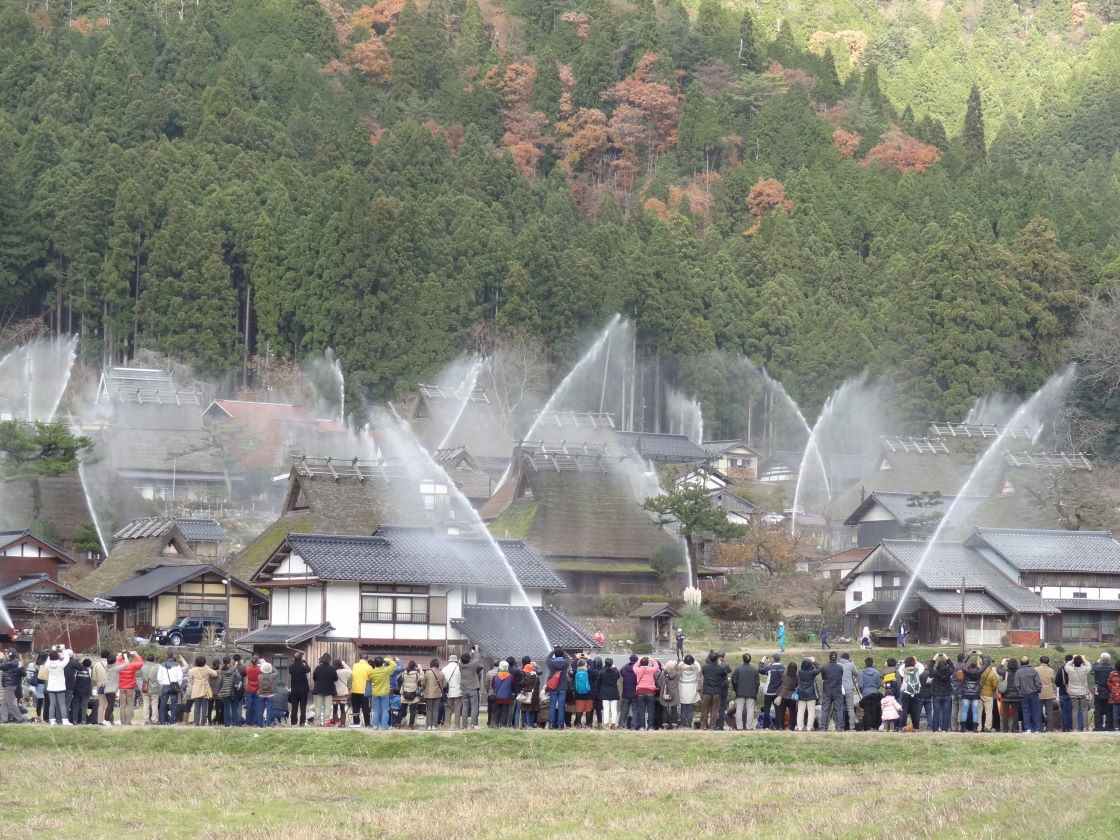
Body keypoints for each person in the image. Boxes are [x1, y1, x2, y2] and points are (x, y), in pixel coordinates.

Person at [699, 651, 730, 731]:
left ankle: (704, 725)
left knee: (705, 709)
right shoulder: (720, 668)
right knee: (715, 710)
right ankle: (712, 726)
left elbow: (703, 674)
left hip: (707, 691)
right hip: (717, 691)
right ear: (717, 659)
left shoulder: (705, 667)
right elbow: (725, 674)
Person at [1015, 655, 1043, 734]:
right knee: (1036, 711)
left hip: (1023, 695)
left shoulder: (1018, 672)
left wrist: (1020, 691)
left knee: (1025, 712)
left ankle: (1028, 729)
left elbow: (1016, 685)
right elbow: (1038, 683)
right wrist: (1038, 690)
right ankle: (1037, 729)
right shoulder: (1033, 671)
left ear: (1021, 662)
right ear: (1028, 662)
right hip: (1033, 693)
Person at [630, 656, 659, 731]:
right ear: (647, 663)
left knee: (641, 711)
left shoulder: (638, 670)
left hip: (640, 692)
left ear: (641, 663)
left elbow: (634, 666)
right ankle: (650, 726)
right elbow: (657, 666)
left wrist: (639, 660)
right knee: (651, 711)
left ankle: (642, 726)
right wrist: (652, 660)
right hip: (650, 692)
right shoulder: (651, 670)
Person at [1063, 654, 1092, 732]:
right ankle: (1085, 727)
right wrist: (1084, 659)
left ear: (1074, 662)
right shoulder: (1085, 669)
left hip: (1073, 692)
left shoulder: (1069, 669)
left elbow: (1067, 664)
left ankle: (1075, 728)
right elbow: (1089, 665)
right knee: (1084, 710)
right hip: (1083, 692)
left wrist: (1072, 659)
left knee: (1074, 710)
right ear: (1081, 662)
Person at [186, 656, 217, 726]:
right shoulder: (207, 668)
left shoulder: (193, 670)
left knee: (197, 706)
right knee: (204, 706)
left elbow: (191, 677)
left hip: (196, 689)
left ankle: (196, 721)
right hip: (204, 689)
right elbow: (215, 674)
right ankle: (203, 721)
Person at [731, 654, 759, 731]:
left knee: (739, 709)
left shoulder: (738, 669)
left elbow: (734, 681)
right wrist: (755, 692)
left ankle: (739, 727)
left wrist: (736, 690)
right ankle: (749, 726)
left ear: (743, 659)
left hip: (740, 692)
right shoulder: (754, 670)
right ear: (750, 660)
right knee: (750, 709)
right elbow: (757, 683)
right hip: (751, 693)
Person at [819, 651, 845, 732]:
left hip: (827, 690)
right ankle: (839, 727)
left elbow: (823, 678)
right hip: (837, 690)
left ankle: (823, 727)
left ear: (829, 657)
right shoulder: (840, 668)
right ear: (836, 658)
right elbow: (841, 675)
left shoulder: (825, 667)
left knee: (825, 709)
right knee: (839, 709)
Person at [116, 651, 143, 726]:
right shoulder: (132, 665)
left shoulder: (119, 664)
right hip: (130, 687)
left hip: (122, 687)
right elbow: (140, 663)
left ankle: (123, 721)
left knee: (122, 705)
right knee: (130, 704)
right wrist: (137, 655)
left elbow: (116, 662)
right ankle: (128, 721)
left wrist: (120, 655)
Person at [546, 647, 570, 730]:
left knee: (552, 706)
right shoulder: (566, 663)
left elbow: (548, 658)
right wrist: (562, 650)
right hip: (562, 686)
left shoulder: (551, 663)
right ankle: (560, 724)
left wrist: (554, 650)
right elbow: (568, 658)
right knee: (561, 706)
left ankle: (551, 724)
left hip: (553, 687)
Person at [795, 657, 821, 732]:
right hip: (811, 694)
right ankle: (809, 727)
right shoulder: (812, 672)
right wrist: (814, 662)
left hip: (802, 693)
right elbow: (819, 668)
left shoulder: (800, 672)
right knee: (811, 711)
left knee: (800, 711)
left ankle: (800, 727)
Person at [897, 656, 923, 731]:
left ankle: (902, 726)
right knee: (915, 711)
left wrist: (904, 661)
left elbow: (901, 667)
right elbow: (921, 666)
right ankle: (916, 727)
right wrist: (916, 660)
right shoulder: (918, 670)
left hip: (906, 692)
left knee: (904, 711)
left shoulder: (902, 670)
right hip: (915, 692)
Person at [45, 648, 70, 725]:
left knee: (52, 704)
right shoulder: (60, 664)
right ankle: (65, 720)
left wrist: (52, 650)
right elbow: (67, 659)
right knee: (62, 704)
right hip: (60, 687)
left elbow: (48, 659)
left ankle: (52, 720)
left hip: (51, 687)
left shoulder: (47, 664)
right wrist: (63, 650)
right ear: (57, 656)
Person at [458, 652, 483, 730]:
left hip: (464, 689)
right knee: (474, 707)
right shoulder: (472, 666)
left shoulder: (460, 665)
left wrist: (471, 654)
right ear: (469, 660)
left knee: (465, 708)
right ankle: (473, 724)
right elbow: (477, 659)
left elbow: (463, 659)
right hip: (472, 689)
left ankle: (464, 725)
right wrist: (476, 651)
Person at [310, 654, 336, 728]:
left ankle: (317, 722)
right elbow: (336, 678)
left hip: (319, 690)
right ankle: (326, 722)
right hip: (329, 690)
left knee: (318, 707)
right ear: (329, 660)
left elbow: (314, 677)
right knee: (327, 707)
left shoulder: (318, 668)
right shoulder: (332, 668)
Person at [1090, 652, 1114, 732]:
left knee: (1098, 710)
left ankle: (1098, 726)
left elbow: (1091, 668)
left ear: (1101, 659)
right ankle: (1109, 726)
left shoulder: (1096, 667)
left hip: (1099, 690)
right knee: (1109, 710)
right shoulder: (1112, 668)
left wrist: (1097, 662)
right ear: (1109, 659)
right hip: (1109, 691)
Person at [159, 655, 185, 725]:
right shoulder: (177, 665)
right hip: (174, 684)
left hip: (165, 685)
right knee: (174, 704)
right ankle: (172, 720)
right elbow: (180, 676)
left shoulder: (162, 665)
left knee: (163, 704)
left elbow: (159, 677)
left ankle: (162, 720)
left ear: (166, 656)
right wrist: (178, 684)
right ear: (173, 656)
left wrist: (162, 683)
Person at [287, 652, 310, 727]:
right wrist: (304, 661)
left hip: (294, 688)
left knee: (294, 706)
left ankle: (293, 722)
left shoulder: (291, 666)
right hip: (303, 689)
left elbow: (290, 672)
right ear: (301, 658)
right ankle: (302, 722)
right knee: (303, 706)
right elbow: (308, 670)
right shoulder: (303, 666)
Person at [677, 654, 700, 729]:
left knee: (683, 708)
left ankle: (683, 723)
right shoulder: (696, 668)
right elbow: (698, 666)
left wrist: (683, 660)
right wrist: (695, 660)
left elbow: (680, 664)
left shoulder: (681, 668)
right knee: (690, 708)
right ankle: (689, 724)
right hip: (692, 687)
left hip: (683, 687)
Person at [760, 655, 784, 729]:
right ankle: (778, 726)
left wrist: (762, 661)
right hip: (778, 692)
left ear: (773, 659)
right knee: (778, 710)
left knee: (767, 709)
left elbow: (761, 670)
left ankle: (765, 726)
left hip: (769, 692)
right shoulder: (783, 668)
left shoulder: (770, 668)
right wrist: (769, 664)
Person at [349, 656, 372, 728]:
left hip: (354, 689)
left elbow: (352, 676)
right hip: (364, 690)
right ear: (367, 659)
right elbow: (371, 678)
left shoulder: (355, 665)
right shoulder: (369, 667)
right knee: (365, 708)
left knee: (355, 707)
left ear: (360, 659)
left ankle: (356, 723)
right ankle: (367, 723)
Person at [959, 658, 982, 732]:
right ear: (976, 665)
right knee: (975, 711)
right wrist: (981, 654)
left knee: (964, 711)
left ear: (969, 665)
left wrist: (968, 655)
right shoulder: (979, 672)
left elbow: (963, 663)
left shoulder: (966, 671)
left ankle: (963, 728)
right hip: (975, 694)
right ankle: (975, 728)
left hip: (966, 693)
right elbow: (986, 664)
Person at [999, 658, 1021, 734]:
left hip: (1006, 695)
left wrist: (1002, 662)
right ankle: (1015, 729)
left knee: (1005, 713)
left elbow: (998, 669)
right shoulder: (1019, 672)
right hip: (1016, 696)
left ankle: (1005, 728)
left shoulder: (1005, 673)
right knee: (1015, 713)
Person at [598, 657, 620, 729]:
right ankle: (613, 724)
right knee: (614, 709)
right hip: (614, 692)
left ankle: (606, 723)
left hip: (605, 692)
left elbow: (600, 679)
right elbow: (618, 675)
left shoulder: (603, 672)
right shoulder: (615, 672)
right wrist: (615, 667)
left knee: (606, 709)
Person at [0, 650, 22, 723]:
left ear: (10, 654)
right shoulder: (12, 661)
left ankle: (19, 718)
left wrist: (1, 658)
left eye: (6, 653)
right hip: (8, 684)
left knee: (11, 703)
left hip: (10, 684)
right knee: (4, 703)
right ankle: (4, 719)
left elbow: (2, 666)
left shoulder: (13, 662)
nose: (5, 654)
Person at [441, 654, 462, 730]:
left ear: (449, 660)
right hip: (458, 691)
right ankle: (457, 726)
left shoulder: (444, 669)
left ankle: (447, 726)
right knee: (457, 710)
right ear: (456, 660)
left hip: (448, 692)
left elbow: (442, 681)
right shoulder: (459, 668)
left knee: (448, 710)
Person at [517, 659, 541, 728]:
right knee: (533, 711)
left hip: (527, 696)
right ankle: (532, 724)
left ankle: (525, 724)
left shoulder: (528, 677)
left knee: (524, 710)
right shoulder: (537, 677)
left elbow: (521, 683)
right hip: (535, 696)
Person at [979, 656, 1000, 732]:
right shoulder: (992, 673)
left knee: (979, 712)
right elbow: (995, 685)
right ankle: (987, 727)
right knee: (988, 712)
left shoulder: (979, 671)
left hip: (979, 694)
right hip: (988, 694)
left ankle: (979, 727)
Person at [839, 652, 859, 730]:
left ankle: (840, 726)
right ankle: (852, 727)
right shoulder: (851, 664)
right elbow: (856, 674)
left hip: (840, 688)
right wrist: (853, 663)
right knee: (850, 707)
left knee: (840, 707)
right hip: (849, 688)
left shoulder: (838, 664)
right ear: (848, 658)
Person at [776, 662, 798, 730]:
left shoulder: (784, 675)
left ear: (788, 668)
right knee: (793, 712)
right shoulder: (797, 677)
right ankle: (791, 727)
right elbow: (797, 685)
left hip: (782, 694)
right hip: (792, 696)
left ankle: (781, 727)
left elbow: (779, 683)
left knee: (781, 712)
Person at [70, 658, 93, 725]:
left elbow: (74, 679)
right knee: (84, 707)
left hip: (77, 690)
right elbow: (92, 681)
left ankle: (74, 720)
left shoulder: (77, 670)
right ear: (89, 665)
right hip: (86, 691)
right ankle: (83, 720)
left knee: (76, 706)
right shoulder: (90, 671)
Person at [139, 657, 161, 725]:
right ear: (153, 660)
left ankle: (146, 720)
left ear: (147, 659)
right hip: (155, 689)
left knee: (146, 704)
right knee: (154, 705)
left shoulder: (142, 667)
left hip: (145, 688)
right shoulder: (157, 667)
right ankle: (154, 720)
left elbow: (142, 677)